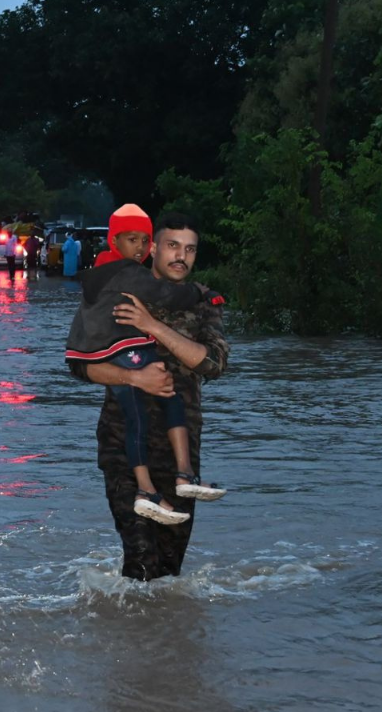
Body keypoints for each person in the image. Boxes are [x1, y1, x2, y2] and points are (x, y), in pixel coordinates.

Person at [66, 210, 230, 581]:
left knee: (169, 569)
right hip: (122, 442)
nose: (180, 256)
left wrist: (151, 325)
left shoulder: (202, 300)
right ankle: (122, 618)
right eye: (172, 246)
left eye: (190, 249)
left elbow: (214, 363)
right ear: (152, 248)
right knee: (140, 558)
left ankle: (162, 622)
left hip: (180, 450)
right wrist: (134, 377)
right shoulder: (116, 288)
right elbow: (78, 364)